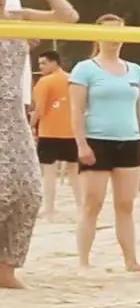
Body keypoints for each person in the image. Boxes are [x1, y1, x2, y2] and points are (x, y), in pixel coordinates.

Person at [0, 0, 78, 288]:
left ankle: (6, 268)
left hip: (12, 111)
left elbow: (68, 16)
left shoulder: (18, 17)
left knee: (30, 190)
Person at [69, 13, 140, 271]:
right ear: (98, 35)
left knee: (126, 204)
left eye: (118, 32)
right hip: (97, 141)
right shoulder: (85, 69)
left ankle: (130, 260)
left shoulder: (135, 70)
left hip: (128, 141)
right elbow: (76, 109)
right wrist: (81, 144)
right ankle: (84, 260)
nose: (114, 37)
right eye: (108, 32)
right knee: (92, 203)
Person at [32, 49, 79, 219]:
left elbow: (39, 109)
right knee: (74, 172)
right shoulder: (73, 79)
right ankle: (81, 206)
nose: (41, 67)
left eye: (44, 63)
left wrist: (30, 125)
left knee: (49, 172)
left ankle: (49, 208)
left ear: (54, 62)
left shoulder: (45, 82)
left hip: (49, 132)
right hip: (71, 131)